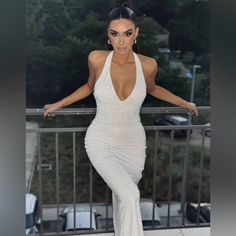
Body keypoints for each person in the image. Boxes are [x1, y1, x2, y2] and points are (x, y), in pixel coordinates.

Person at [43, 1, 198, 235]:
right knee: (131, 195)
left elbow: (154, 89)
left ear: (136, 33)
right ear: (108, 35)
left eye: (127, 34)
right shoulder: (97, 59)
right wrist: (58, 104)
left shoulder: (147, 65)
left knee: (122, 199)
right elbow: (88, 87)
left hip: (133, 145)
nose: (121, 41)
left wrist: (185, 103)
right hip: (100, 141)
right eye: (115, 34)